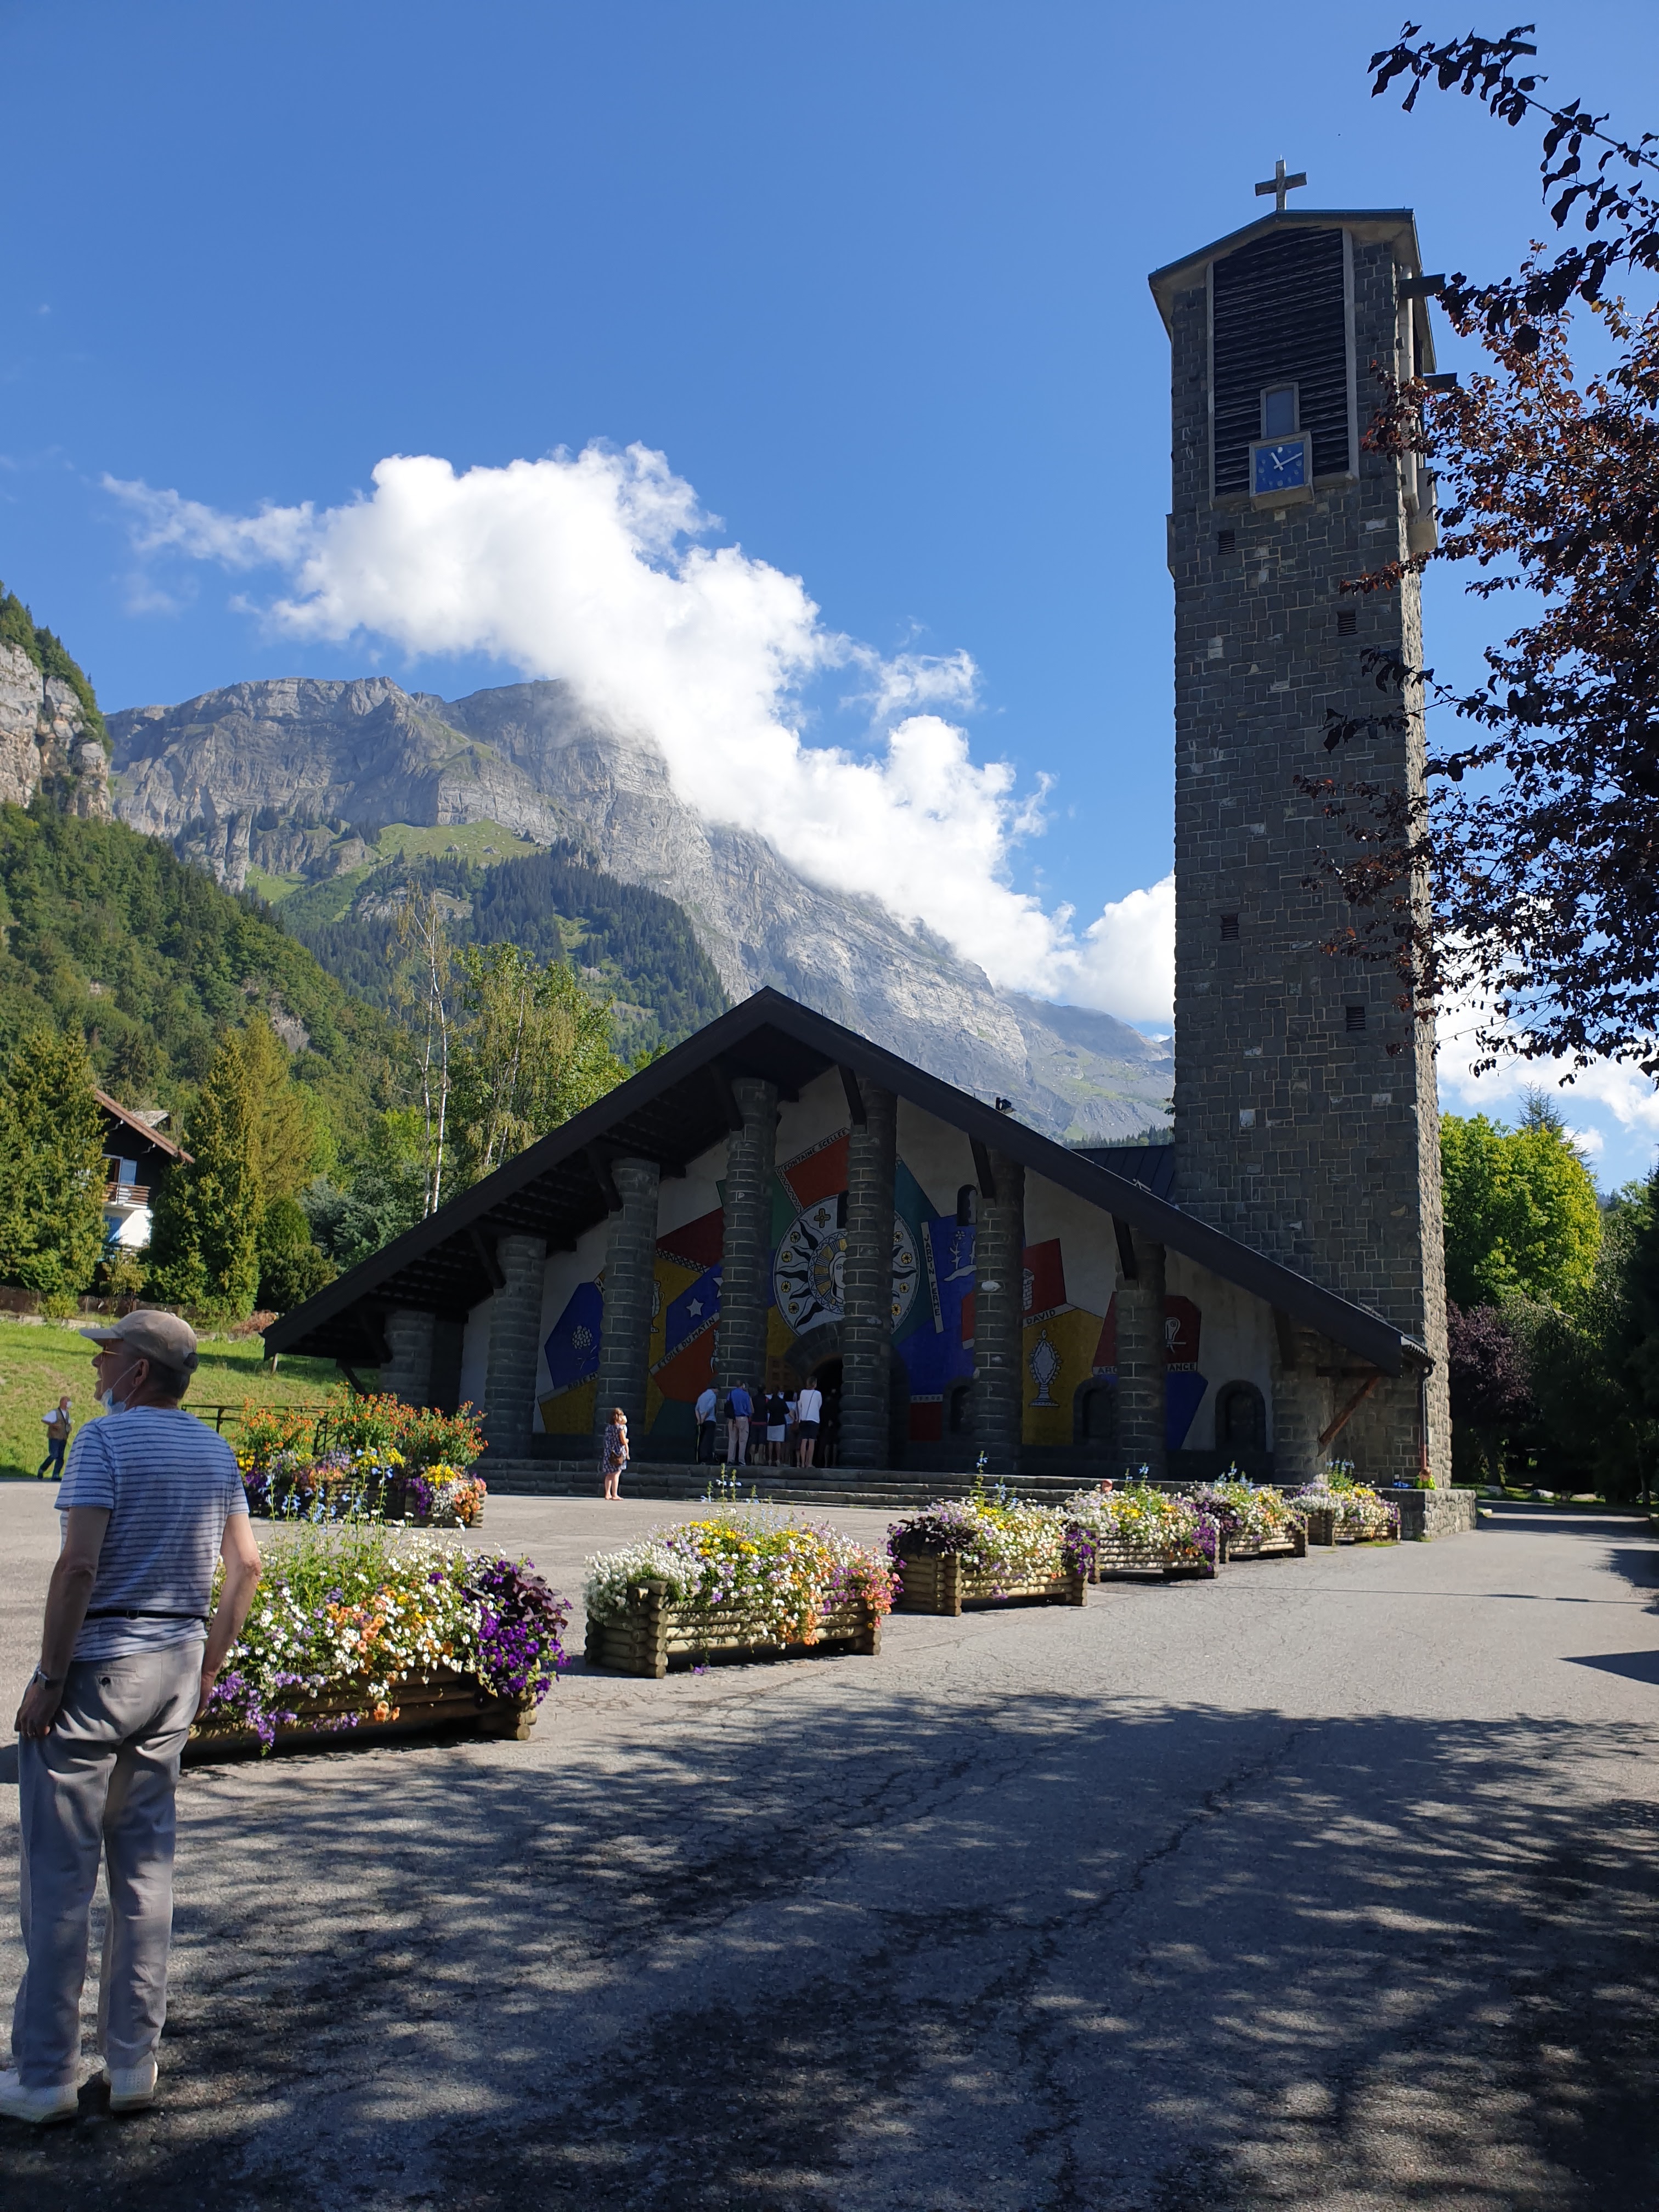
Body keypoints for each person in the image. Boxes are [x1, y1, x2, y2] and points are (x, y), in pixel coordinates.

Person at [2, 1310, 262, 2126]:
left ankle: (45, 2075)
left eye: (106, 1355)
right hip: (176, 1665)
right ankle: (132, 2063)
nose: (96, 1368)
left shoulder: (102, 1443)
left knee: (60, 1878)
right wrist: (210, 1667)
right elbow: (247, 1567)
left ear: (139, 1371)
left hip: (99, 1667)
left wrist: (49, 1677)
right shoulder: (215, 1451)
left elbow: (79, 1566)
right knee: (146, 1873)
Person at [36, 1397, 72, 1482]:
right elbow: (44, 1420)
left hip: (63, 1437)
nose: (70, 1404)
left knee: (60, 1457)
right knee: (54, 1455)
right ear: (63, 1403)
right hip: (54, 1437)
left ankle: (56, 1475)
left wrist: (69, 1428)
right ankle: (42, 1469)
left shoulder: (67, 1413)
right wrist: (53, 1425)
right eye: (68, 1402)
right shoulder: (55, 1412)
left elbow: (68, 1423)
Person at [600, 1407, 629, 1499]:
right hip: (618, 1454)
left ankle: (607, 1494)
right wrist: (627, 1440)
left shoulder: (609, 1427)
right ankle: (615, 1494)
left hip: (608, 1453)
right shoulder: (620, 1428)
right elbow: (623, 1441)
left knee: (609, 1474)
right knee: (616, 1473)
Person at [795, 1380, 823, 1468]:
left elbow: (800, 1404)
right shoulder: (818, 1394)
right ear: (814, 1384)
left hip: (804, 1419)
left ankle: (802, 1463)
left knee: (804, 1441)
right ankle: (809, 1463)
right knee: (812, 1442)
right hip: (814, 1419)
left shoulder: (803, 1393)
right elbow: (819, 1405)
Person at [725, 1381, 752, 1467]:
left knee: (732, 1440)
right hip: (743, 1418)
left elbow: (728, 1405)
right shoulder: (746, 1395)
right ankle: (741, 1460)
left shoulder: (731, 1393)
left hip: (732, 1418)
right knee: (743, 1441)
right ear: (743, 1385)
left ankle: (731, 1460)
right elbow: (749, 1409)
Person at [693, 1383, 719, 1465]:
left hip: (702, 1422)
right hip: (710, 1420)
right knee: (709, 1440)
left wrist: (699, 1420)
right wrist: (704, 1418)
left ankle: (701, 1457)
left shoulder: (702, 1396)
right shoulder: (713, 1396)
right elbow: (709, 1408)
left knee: (703, 1439)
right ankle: (707, 1458)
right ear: (715, 1389)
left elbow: (697, 1409)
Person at [765, 1389, 787, 1466]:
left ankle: (770, 1459)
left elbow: (766, 1410)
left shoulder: (770, 1402)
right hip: (780, 1423)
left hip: (771, 1422)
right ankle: (778, 1459)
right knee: (778, 1441)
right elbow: (787, 1411)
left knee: (770, 1441)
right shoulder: (782, 1401)